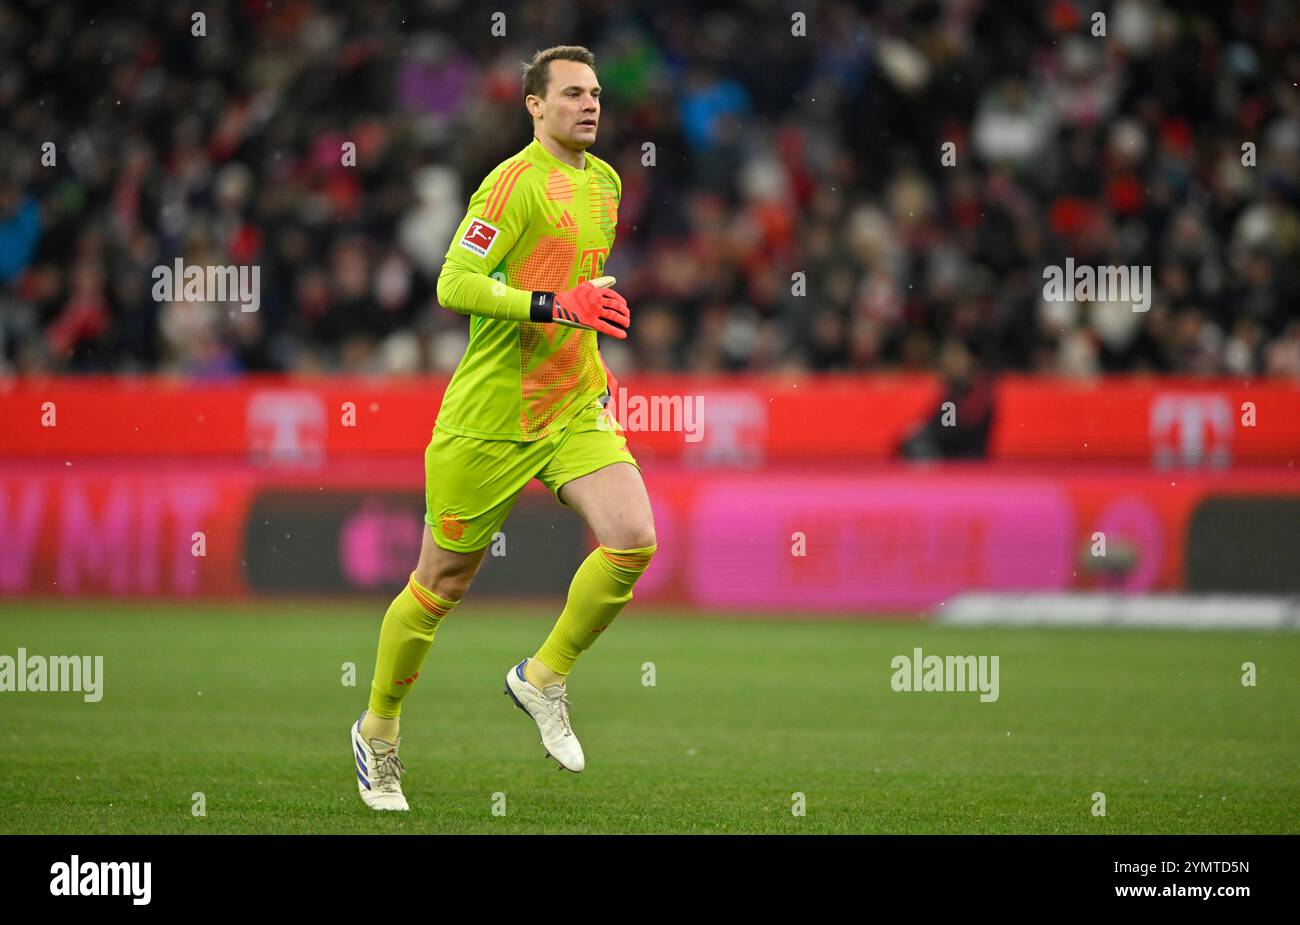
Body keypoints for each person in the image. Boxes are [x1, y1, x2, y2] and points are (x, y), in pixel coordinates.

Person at [350, 45, 658, 810]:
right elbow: (454, 281)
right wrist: (555, 309)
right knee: (438, 586)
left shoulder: (607, 183)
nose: (589, 105)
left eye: (595, 94)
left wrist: (584, 344)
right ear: (534, 105)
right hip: (488, 419)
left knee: (632, 537)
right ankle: (378, 733)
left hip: (570, 403)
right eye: (571, 94)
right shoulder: (512, 184)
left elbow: (580, 288)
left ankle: (543, 677)